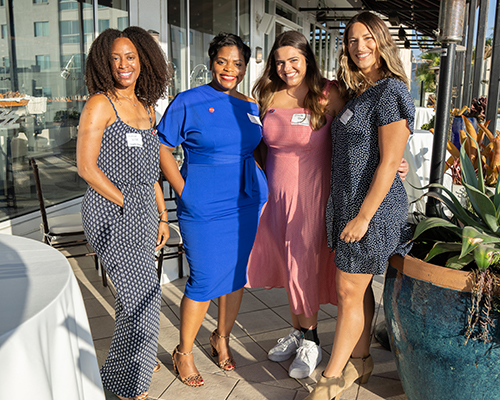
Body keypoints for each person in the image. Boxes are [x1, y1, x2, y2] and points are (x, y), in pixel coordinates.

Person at [305, 11, 414, 400]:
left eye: (368, 38)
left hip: (371, 209)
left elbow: (389, 162)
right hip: (350, 205)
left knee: (349, 290)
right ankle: (363, 360)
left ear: (382, 42)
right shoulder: (358, 93)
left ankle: (332, 376)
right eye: (352, 40)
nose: (360, 46)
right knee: (358, 287)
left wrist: (364, 216)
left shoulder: (391, 91)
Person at [156, 33, 268, 387]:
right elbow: (162, 147)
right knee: (204, 278)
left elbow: (261, 148)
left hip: (245, 200)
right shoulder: (188, 101)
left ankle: (221, 337)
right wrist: (184, 191)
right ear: (211, 61)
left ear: (245, 67)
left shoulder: (250, 105)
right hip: (202, 201)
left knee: (235, 274)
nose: (229, 69)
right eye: (222, 61)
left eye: (237, 63)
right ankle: (184, 351)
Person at [77, 27, 171, 400]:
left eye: (130, 56)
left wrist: (161, 214)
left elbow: (150, 172)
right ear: (104, 62)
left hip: (145, 210)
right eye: (115, 57)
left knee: (142, 296)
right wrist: (126, 202)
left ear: (143, 59)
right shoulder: (100, 104)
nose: (123, 65)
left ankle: (134, 359)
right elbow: (86, 168)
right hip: (110, 209)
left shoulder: (146, 106)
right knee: (140, 300)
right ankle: (128, 384)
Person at [245, 31, 344, 379]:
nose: (287, 68)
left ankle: (312, 340)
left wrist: (393, 160)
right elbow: (259, 146)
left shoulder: (329, 94)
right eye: (280, 61)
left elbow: (356, 135)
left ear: (308, 59)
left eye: (294, 61)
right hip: (276, 198)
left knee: (304, 264)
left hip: (312, 196)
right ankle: (299, 330)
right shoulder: (268, 94)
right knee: (289, 265)